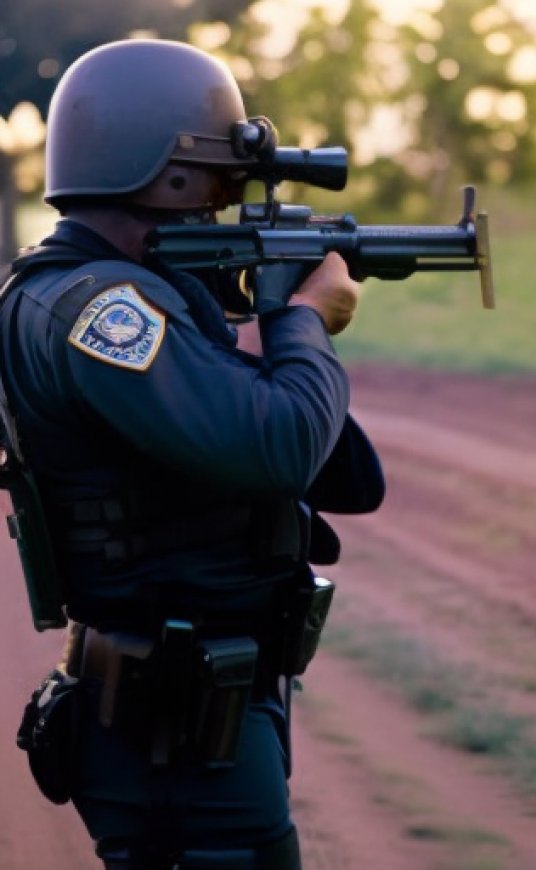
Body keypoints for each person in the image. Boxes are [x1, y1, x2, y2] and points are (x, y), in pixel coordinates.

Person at [0, 38, 383, 869]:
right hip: (174, 726)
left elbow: (341, 478)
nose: (219, 205)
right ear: (167, 173)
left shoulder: (84, 291)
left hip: (183, 711)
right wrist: (302, 319)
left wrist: (223, 316)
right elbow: (281, 446)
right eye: (214, 181)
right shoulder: (101, 311)